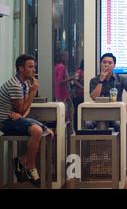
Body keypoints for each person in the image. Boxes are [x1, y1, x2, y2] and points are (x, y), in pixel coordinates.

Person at [0, 54, 54, 187]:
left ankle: (22, 161)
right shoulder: (15, 85)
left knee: (50, 134)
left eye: (34, 67)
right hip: (5, 121)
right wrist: (33, 92)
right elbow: (23, 109)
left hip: (15, 119)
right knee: (37, 130)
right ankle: (31, 166)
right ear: (21, 68)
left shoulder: (22, 84)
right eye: (30, 67)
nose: (34, 70)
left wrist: (21, 116)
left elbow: (25, 110)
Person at [88, 53, 127, 131]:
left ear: (114, 66)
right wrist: (101, 81)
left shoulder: (120, 79)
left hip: (115, 112)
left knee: (119, 124)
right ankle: (92, 143)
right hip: (98, 111)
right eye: (104, 62)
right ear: (101, 64)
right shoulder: (94, 80)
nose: (106, 65)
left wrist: (125, 108)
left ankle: (120, 143)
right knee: (87, 124)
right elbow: (94, 97)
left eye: (110, 62)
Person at [54, 50, 76, 133]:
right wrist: (70, 78)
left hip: (60, 95)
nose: (68, 58)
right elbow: (60, 81)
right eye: (66, 57)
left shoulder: (57, 66)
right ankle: (69, 133)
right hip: (63, 95)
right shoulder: (62, 67)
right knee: (68, 114)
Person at [72, 59, 84, 132]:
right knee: (77, 112)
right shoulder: (79, 71)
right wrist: (81, 86)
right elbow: (74, 80)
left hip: (83, 95)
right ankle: (76, 128)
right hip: (78, 95)